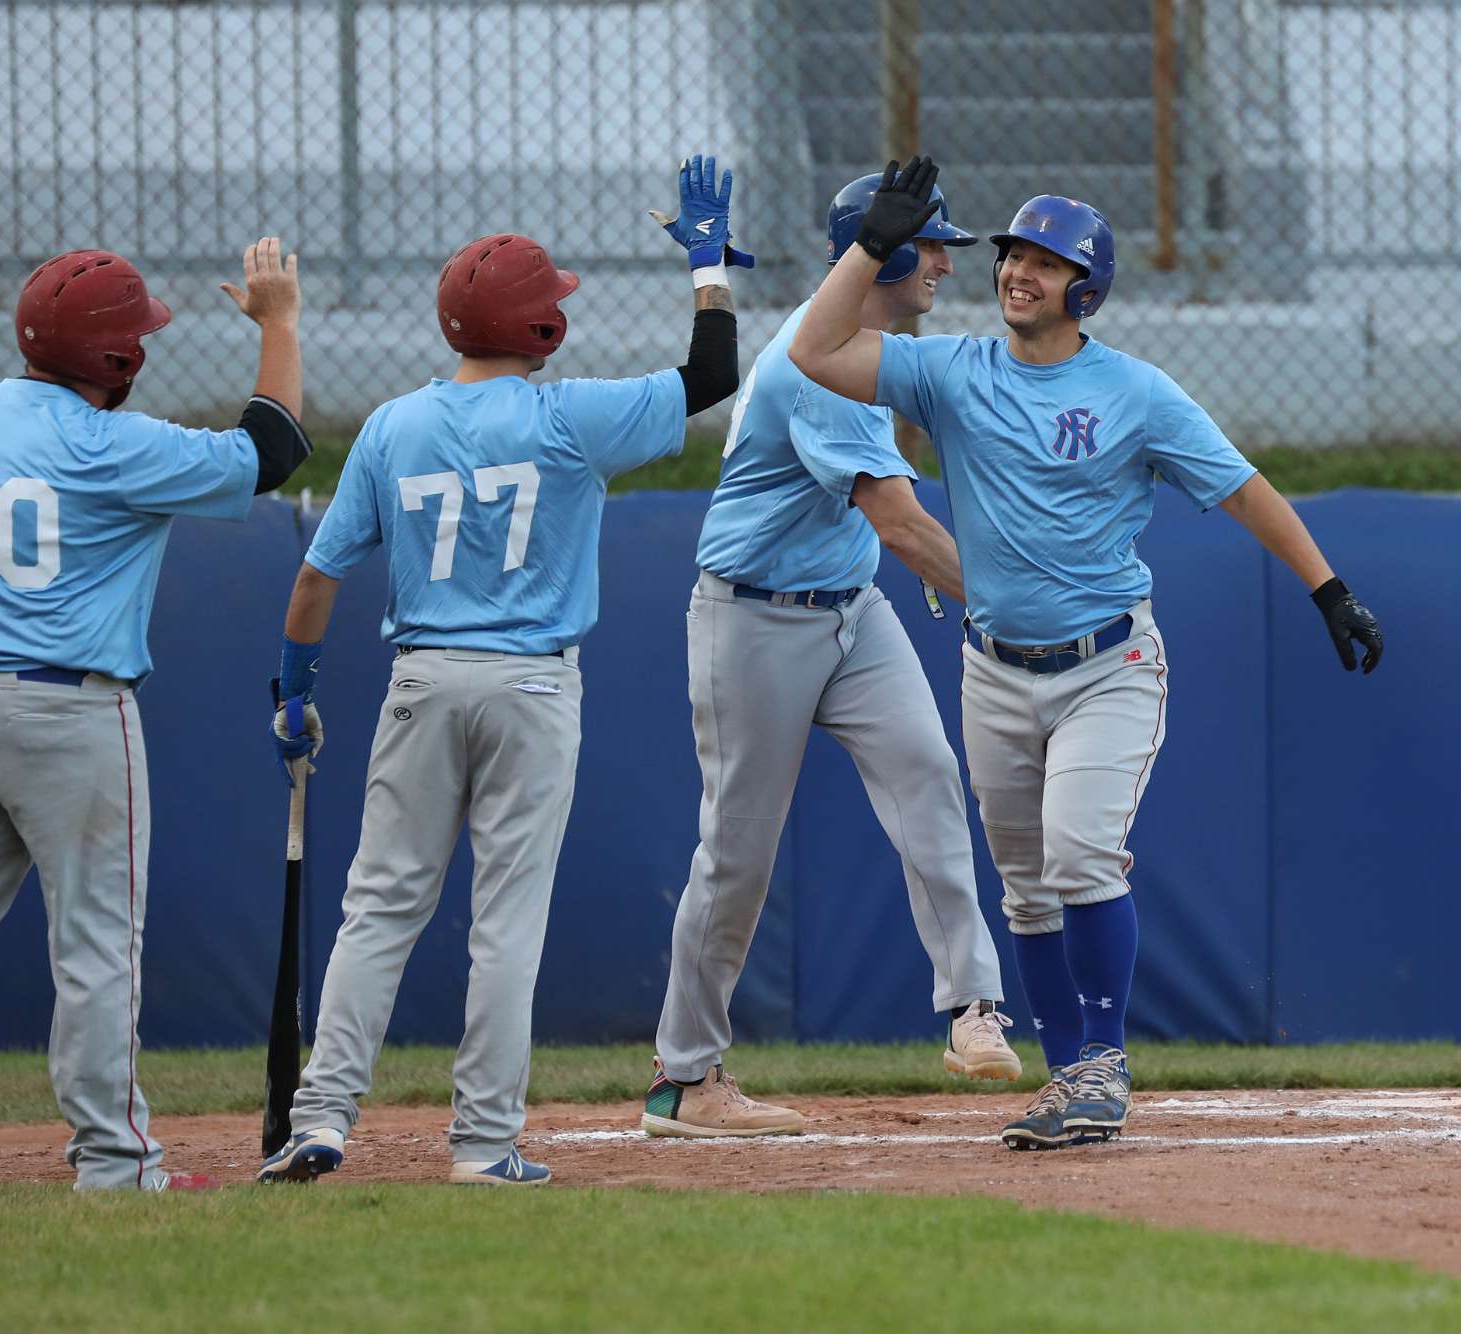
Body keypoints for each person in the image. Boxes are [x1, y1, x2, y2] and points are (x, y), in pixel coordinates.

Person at [788, 159, 1383, 1151]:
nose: (1017, 271)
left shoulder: (1135, 392)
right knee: (1025, 886)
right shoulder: (951, 371)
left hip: (1107, 666)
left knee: (1077, 854)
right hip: (993, 669)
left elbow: (1243, 489)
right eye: (1012, 254)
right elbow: (813, 350)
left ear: (1086, 287)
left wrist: (1328, 588)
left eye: (1044, 260)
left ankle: (1103, 1060)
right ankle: (1067, 1077)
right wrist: (870, 247)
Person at [256, 156, 744, 1188]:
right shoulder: (569, 417)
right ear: (541, 328)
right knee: (505, 924)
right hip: (530, 687)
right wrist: (707, 266)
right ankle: (481, 1143)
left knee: (378, 908)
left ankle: (321, 1117)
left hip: (421, 682)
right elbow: (710, 376)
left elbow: (314, 577)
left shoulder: (393, 424)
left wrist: (295, 690)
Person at [0, 239, 311, 1197]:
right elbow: (273, 451)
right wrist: (280, 323)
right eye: (137, 340)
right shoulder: (112, 445)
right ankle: (117, 1164)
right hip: (67, 709)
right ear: (116, 359)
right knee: (95, 946)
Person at [640, 174, 1020, 1140]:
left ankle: (972, 1006)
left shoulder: (867, 346)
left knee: (929, 773)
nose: (945, 265)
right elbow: (900, 523)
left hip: (850, 609)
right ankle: (685, 1078)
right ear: (879, 254)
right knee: (738, 855)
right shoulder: (813, 363)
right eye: (930, 246)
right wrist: (1024, 605)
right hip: (753, 619)